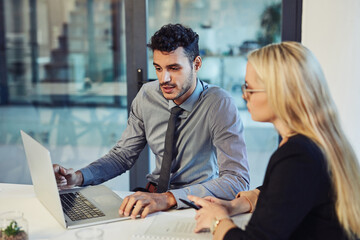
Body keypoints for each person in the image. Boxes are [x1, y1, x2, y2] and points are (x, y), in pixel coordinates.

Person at [53, 23, 249, 219]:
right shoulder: (147, 95)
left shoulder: (219, 103)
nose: (164, 79)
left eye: (174, 68)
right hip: (152, 199)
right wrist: (78, 177)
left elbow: (237, 179)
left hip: (196, 204)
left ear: (196, 64)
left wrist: (168, 198)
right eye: (158, 68)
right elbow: (122, 156)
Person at [188, 42, 360, 240]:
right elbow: (290, 192)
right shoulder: (314, 144)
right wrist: (236, 205)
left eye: (250, 89)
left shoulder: (298, 156)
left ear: (280, 92)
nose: (244, 96)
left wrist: (217, 220)